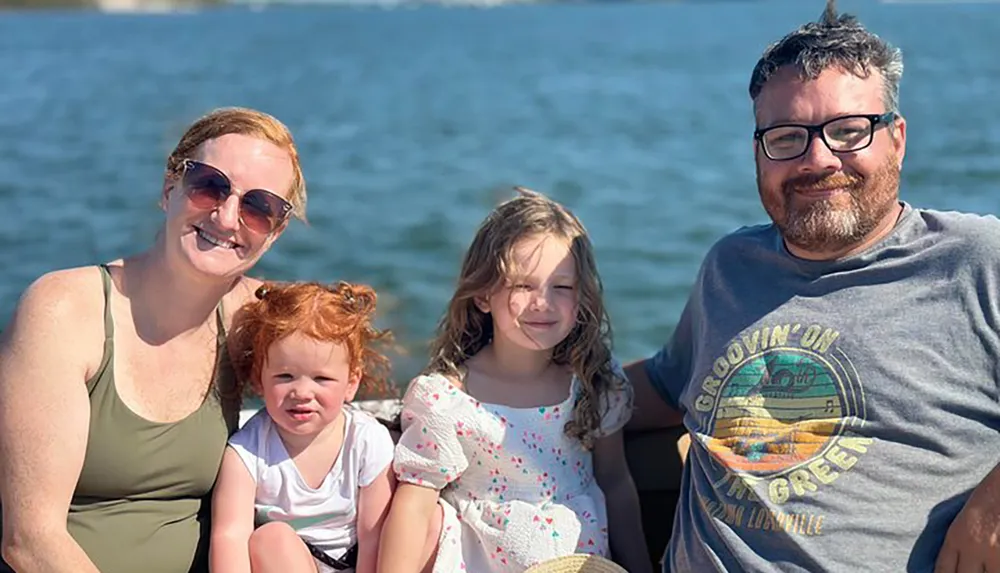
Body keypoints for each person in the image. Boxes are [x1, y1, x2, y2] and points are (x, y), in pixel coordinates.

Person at [625, 2, 1000, 572]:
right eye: (786, 137)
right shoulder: (729, 267)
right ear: (758, 152)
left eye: (849, 131)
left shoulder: (976, 260)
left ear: (896, 139)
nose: (818, 159)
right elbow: (660, 384)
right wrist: (483, 384)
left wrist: (993, 506)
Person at [0, 107, 307, 573]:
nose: (227, 218)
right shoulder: (65, 310)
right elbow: (29, 541)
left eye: (259, 207)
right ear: (170, 188)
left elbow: (345, 349)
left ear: (275, 232)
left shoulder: (255, 318)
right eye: (210, 184)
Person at [378, 189, 653, 573]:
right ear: (483, 295)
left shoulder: (595, 383)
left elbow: (615, 482)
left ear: (583, 298)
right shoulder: (447, 401)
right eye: (523, 285)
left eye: (562, 287)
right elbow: (414, 507)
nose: (543, 302)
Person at [210, 281, 396, 573]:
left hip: (357, 563)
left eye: (321, 379)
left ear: (351, 382)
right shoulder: (247, 452)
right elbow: (229, 535)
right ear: (259, 379)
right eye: (285, 376)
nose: (302, 392)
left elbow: (374, 537)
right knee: (271, 539)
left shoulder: (367, 440)